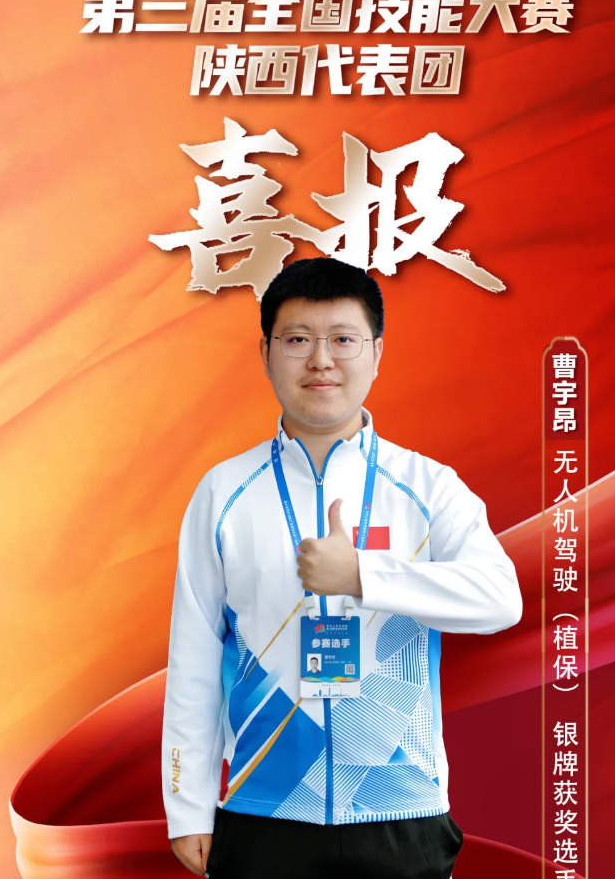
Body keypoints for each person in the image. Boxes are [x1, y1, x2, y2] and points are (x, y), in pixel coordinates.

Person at [162, 257, 523, 879]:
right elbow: (193, 657)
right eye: (298, 340)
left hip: (401, 808)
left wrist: (362, 575)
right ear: (266, 353)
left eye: (343, 340)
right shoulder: (224, 492)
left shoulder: (427, 487)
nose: (321, 360)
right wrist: (187, 806)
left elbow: (500, 598)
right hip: (263, 808)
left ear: (376, 353)